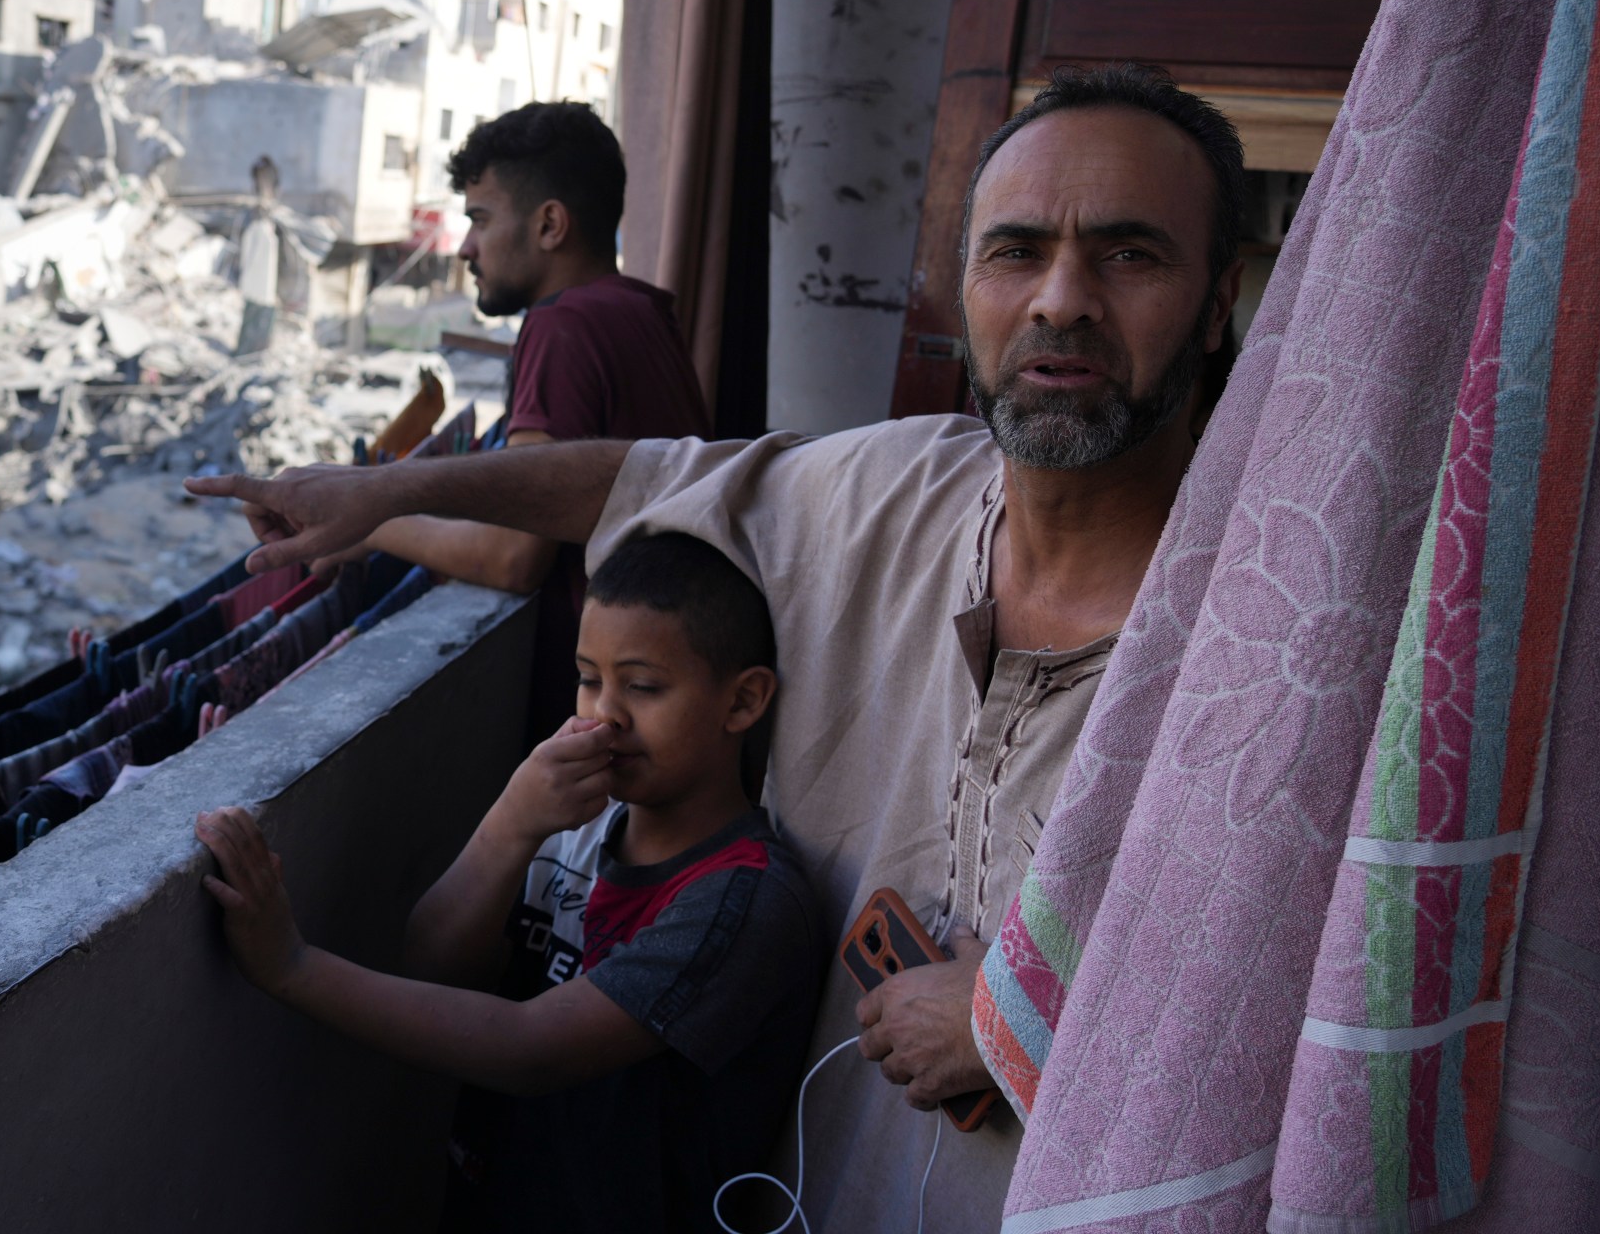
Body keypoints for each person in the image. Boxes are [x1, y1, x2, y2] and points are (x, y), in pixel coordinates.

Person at [184, 63, 1247, 1231]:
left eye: (1129, 255)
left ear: (1217, 301)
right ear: (961, 292)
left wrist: (1022, 1023)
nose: (1061, 298)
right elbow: (634, 478)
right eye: (1015, 251)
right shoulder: (894, 489)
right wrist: (383, 495)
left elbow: (1308, 1004)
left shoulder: (1277, 634)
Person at [196, 532, 822, 1231]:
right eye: (589, 678)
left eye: (643, 686)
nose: (603, 714)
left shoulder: (740, 900)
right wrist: (511, 825)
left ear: (743, 702)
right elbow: (434, 960)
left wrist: (292, 968)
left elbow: (530, 1050)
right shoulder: (581, 820)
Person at [359, 101, 710, 748]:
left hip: (608, 728)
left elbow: (512, 555)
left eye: (480, 220)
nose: (465, 247)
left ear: (550, 224)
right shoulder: (640, 313)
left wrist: (370, 519)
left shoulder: (562, 325)